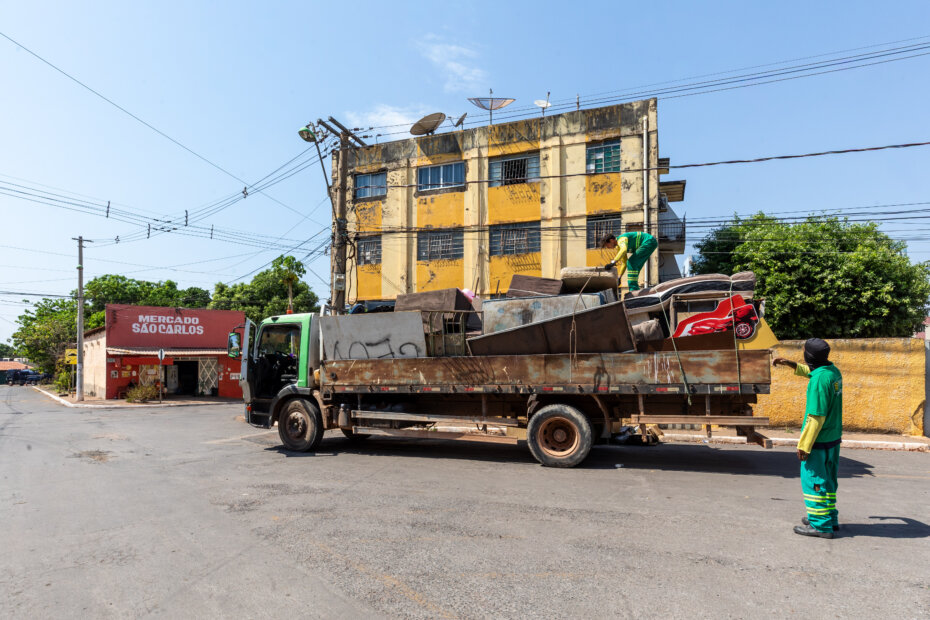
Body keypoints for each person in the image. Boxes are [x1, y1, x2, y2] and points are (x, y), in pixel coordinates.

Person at [773, 338, 843, 539]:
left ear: (809, 356)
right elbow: (814, 372)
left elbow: (816, 416)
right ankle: (829, 517)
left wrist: (804, 445)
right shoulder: (832, 372)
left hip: (818, 441)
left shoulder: (819, 381)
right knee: (828, 481)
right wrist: (791, 364)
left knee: (814, 481)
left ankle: (820, 525)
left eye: (803, 351)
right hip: (833, 437)